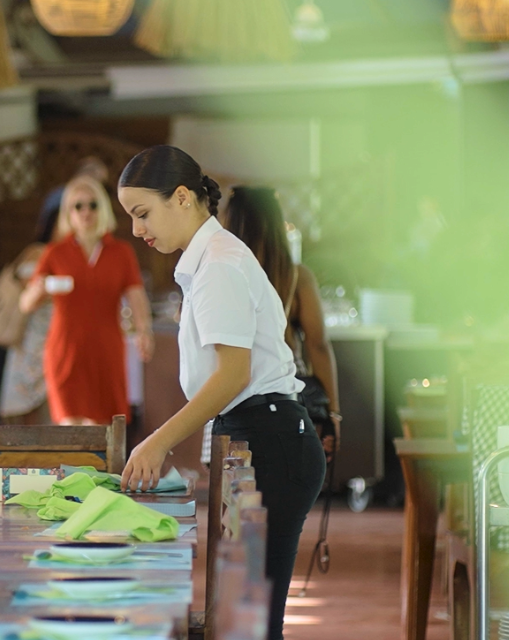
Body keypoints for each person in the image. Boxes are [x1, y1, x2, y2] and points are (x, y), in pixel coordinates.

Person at [116, 146, 325, 640]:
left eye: (142, 213)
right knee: (242, 618)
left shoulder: (220, 263)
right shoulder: (207, 259)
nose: (137, 229)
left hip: (270, 439)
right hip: (256, 435)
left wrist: (158, 441)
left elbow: (233, 376)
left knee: (251, 620)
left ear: (183, 198)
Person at [20, 176, 152, 425]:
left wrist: (144, 330)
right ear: (67, 212)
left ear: (103, 209)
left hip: (106, 350)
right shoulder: (55, 253)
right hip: (66, 350)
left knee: (105, 428)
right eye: (77, 206)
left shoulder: (120, 252)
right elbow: (25, 304)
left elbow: (136, 295)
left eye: (93, 205)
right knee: (70, 427)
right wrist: (38, 291)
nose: (85, 212)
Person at [222, 186, 341, 447]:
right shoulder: (297, 276)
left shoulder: (222, 274)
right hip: (285, 391)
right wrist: (333, 414)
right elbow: (318, 346)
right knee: (290, 475)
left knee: (233, 479)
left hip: (232, 393)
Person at [0, 196, 69, 423]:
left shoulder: (73, 254)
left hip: (57, 333)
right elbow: (28, 290)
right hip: (31, 334)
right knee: (24, 405)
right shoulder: (37, 252)